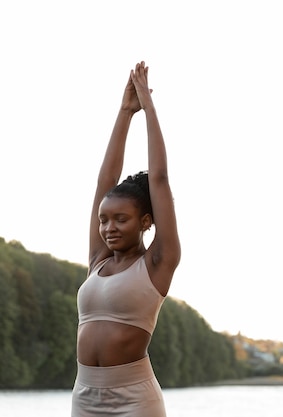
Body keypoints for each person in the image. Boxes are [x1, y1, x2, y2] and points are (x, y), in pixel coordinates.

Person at [72, 61, 181, 416]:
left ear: (146, 221)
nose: (108, 228)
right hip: (85, 394)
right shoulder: (98, 260)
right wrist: (124, 112)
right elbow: (105, 181)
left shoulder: (158, 262)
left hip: (134, 398)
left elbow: (160, 179)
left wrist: (149, 109)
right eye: (104, 220)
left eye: (121, 219)